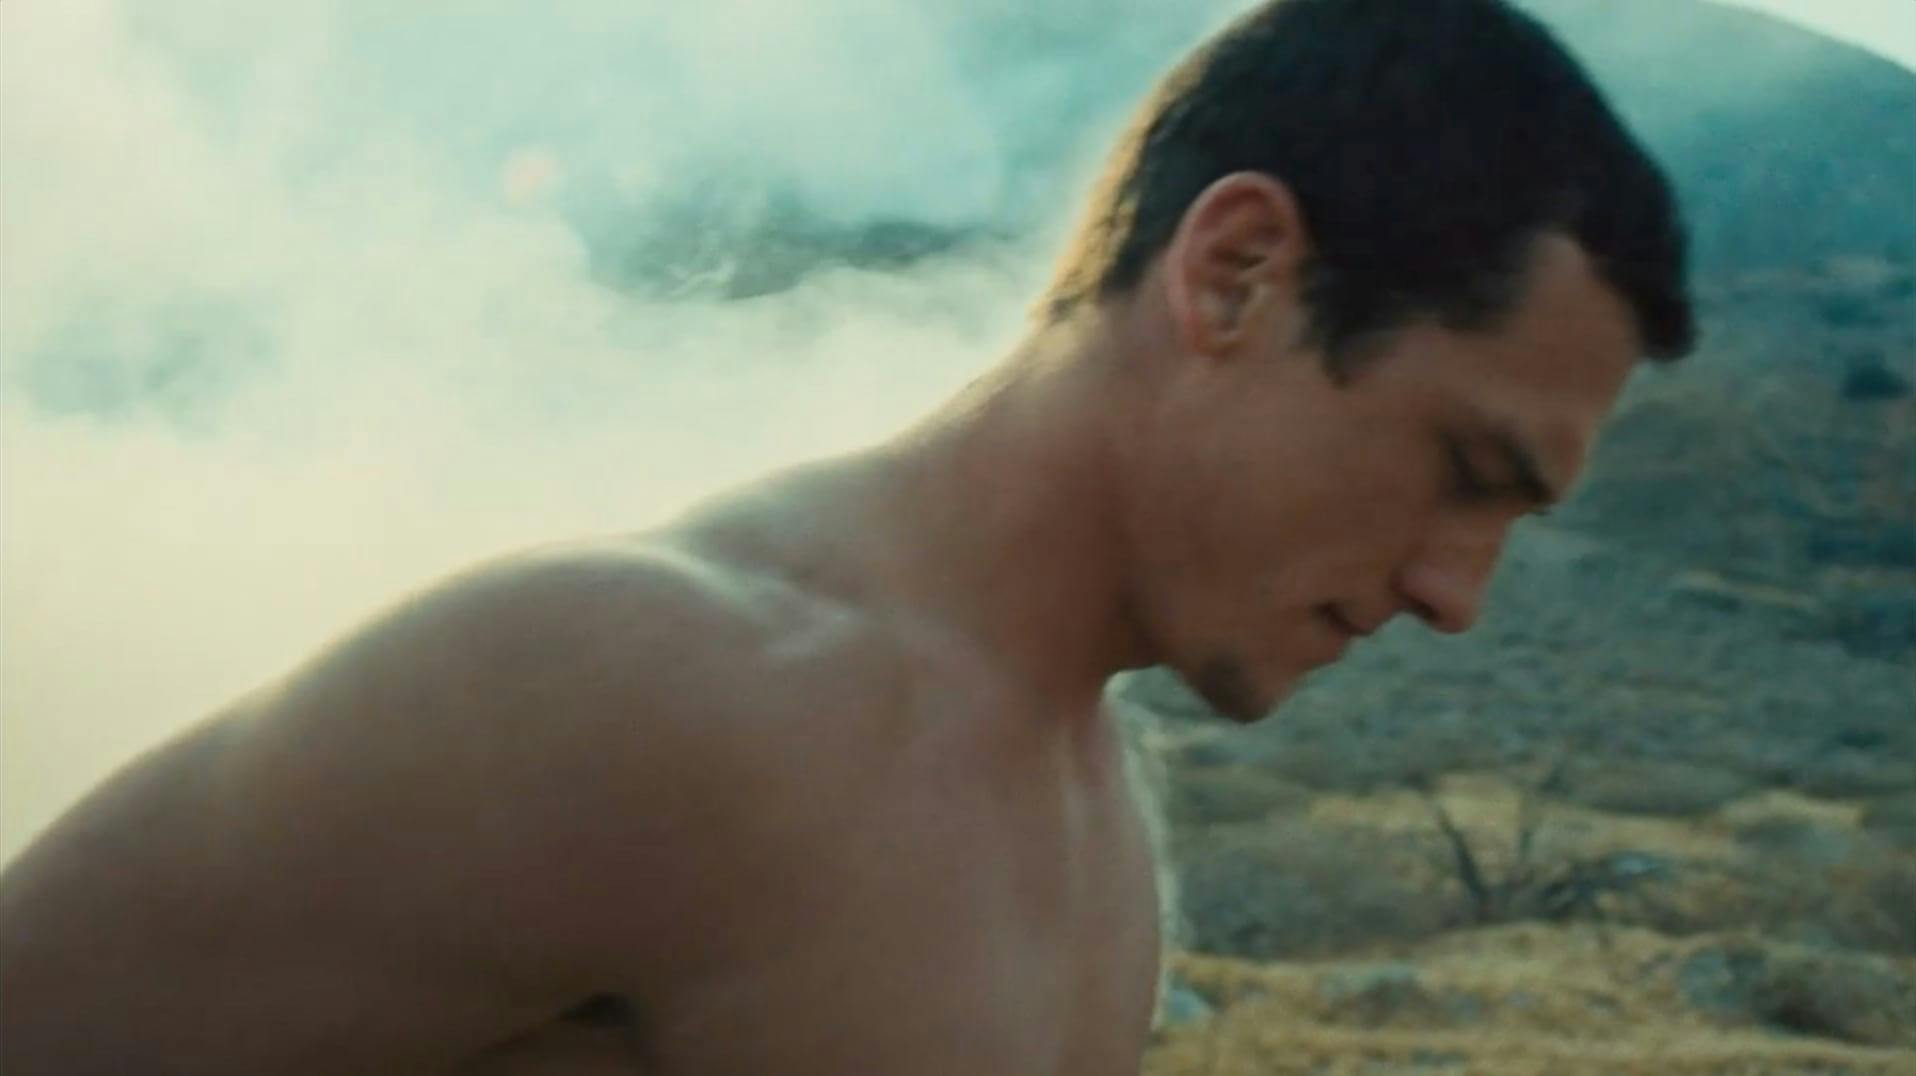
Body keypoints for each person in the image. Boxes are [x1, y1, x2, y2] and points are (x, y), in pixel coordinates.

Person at [0, 1, 1693, 1072]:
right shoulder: (658, 687)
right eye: (1463, 467)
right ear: (1236, 273)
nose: (1457, 596)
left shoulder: (1094, 811)